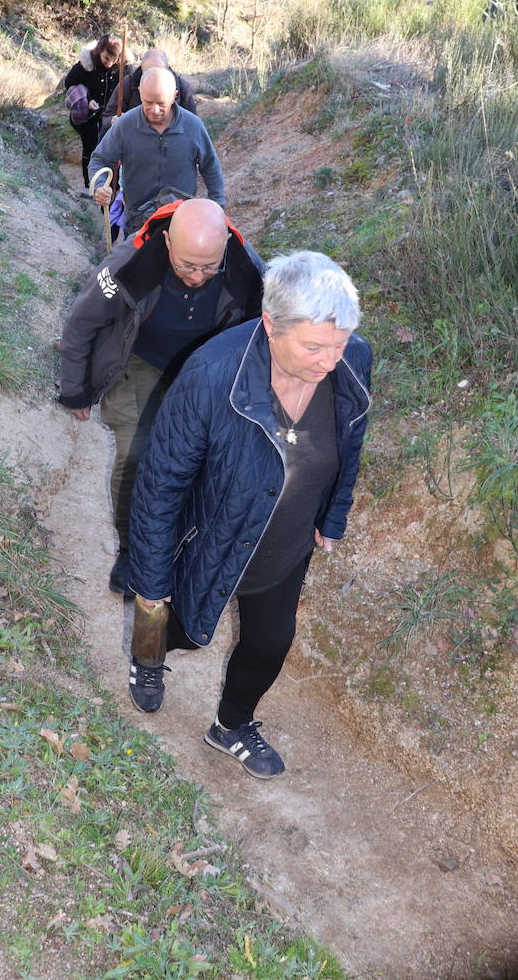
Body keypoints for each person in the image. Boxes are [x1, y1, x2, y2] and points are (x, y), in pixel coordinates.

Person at [126, 251, 372, 780]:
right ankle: (145, 661)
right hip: (211, 535)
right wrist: (150, 579)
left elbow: (350, 444)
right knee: (182, 627)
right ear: (269, 326)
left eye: (339, 343)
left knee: (270, 642)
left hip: (283, 546)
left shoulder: (352, 360)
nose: (329, 361)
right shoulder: (211, 374)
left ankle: (232, 726)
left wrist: (334, 514)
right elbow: (160, 481)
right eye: (313, 346)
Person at [56, 198, 264, 594]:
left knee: (200, 459)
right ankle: (134, 551)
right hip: (139, 360)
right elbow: (81, 324)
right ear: (168, 243)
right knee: (137, 453)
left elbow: (264, 334)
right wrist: (75, 391)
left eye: (208, 267)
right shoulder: (128, 265)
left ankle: (183, 542)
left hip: (204, 368)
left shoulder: (246, 269)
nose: (198, 276)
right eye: (187, 265)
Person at [87, 67, 225, 231]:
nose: (155, 110)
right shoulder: (125, 125)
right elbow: (99, 160)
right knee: (127, 257)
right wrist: (100, 186)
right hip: (137, 220)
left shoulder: (193, 126)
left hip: (180, 219)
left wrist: (217, 207)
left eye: (161, 103)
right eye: (148, 103)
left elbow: (210, 166)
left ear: (174, 96)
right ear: (139, 93)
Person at [62, 34, 122, 186]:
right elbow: (69, 84)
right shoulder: (85, 65)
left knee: (111, 149)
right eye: (107, 58)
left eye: (114, 60)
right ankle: (90, 184)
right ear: (99, 51)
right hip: (87, 116)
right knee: (90, 146)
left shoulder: (121, 69)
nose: (110, 63)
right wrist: (87, 101)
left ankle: (109, 185)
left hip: (110, 116)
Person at [102, 48, 198, 131]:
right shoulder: (127, 85)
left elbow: (193, 124)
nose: (155, 110)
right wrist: (113, 121)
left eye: (161, 103)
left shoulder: (181, 86)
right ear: (141, 69)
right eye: (148, 73)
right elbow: (107, 116)